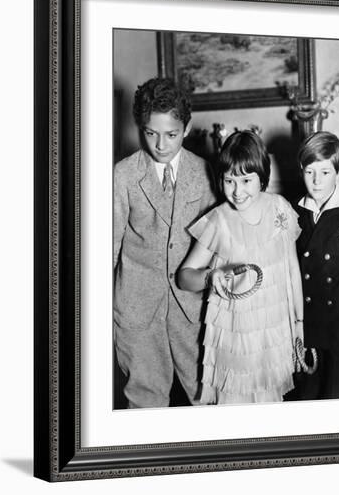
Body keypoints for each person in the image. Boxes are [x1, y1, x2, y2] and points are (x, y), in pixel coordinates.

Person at [178, 131, 304, 405]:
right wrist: (211, 277)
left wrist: (298, 324)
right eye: (229, 181)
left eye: (246, 180)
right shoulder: (219, 220)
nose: (237, 191)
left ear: (262, 177)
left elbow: (292, 270)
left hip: (272, 336)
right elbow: (184, 277)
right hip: (233, 339)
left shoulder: (279, 209)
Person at [113, 77, 216, 408]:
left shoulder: (205, 173)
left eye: (171, 134)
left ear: (186, 128)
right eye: (150, 132)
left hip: (193, 311)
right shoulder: (123, 175)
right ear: (140, 127)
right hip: (137, 311)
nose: (160, 144)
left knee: (207, 397)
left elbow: (217, 242)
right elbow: (106, 248)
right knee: (145, 402)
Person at [292, 131, 339, 400]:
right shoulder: (293, 212)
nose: (317, 181)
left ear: (338, 171)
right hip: (308, 328)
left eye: (325, 172)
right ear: (301, 171)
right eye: (310, 172)